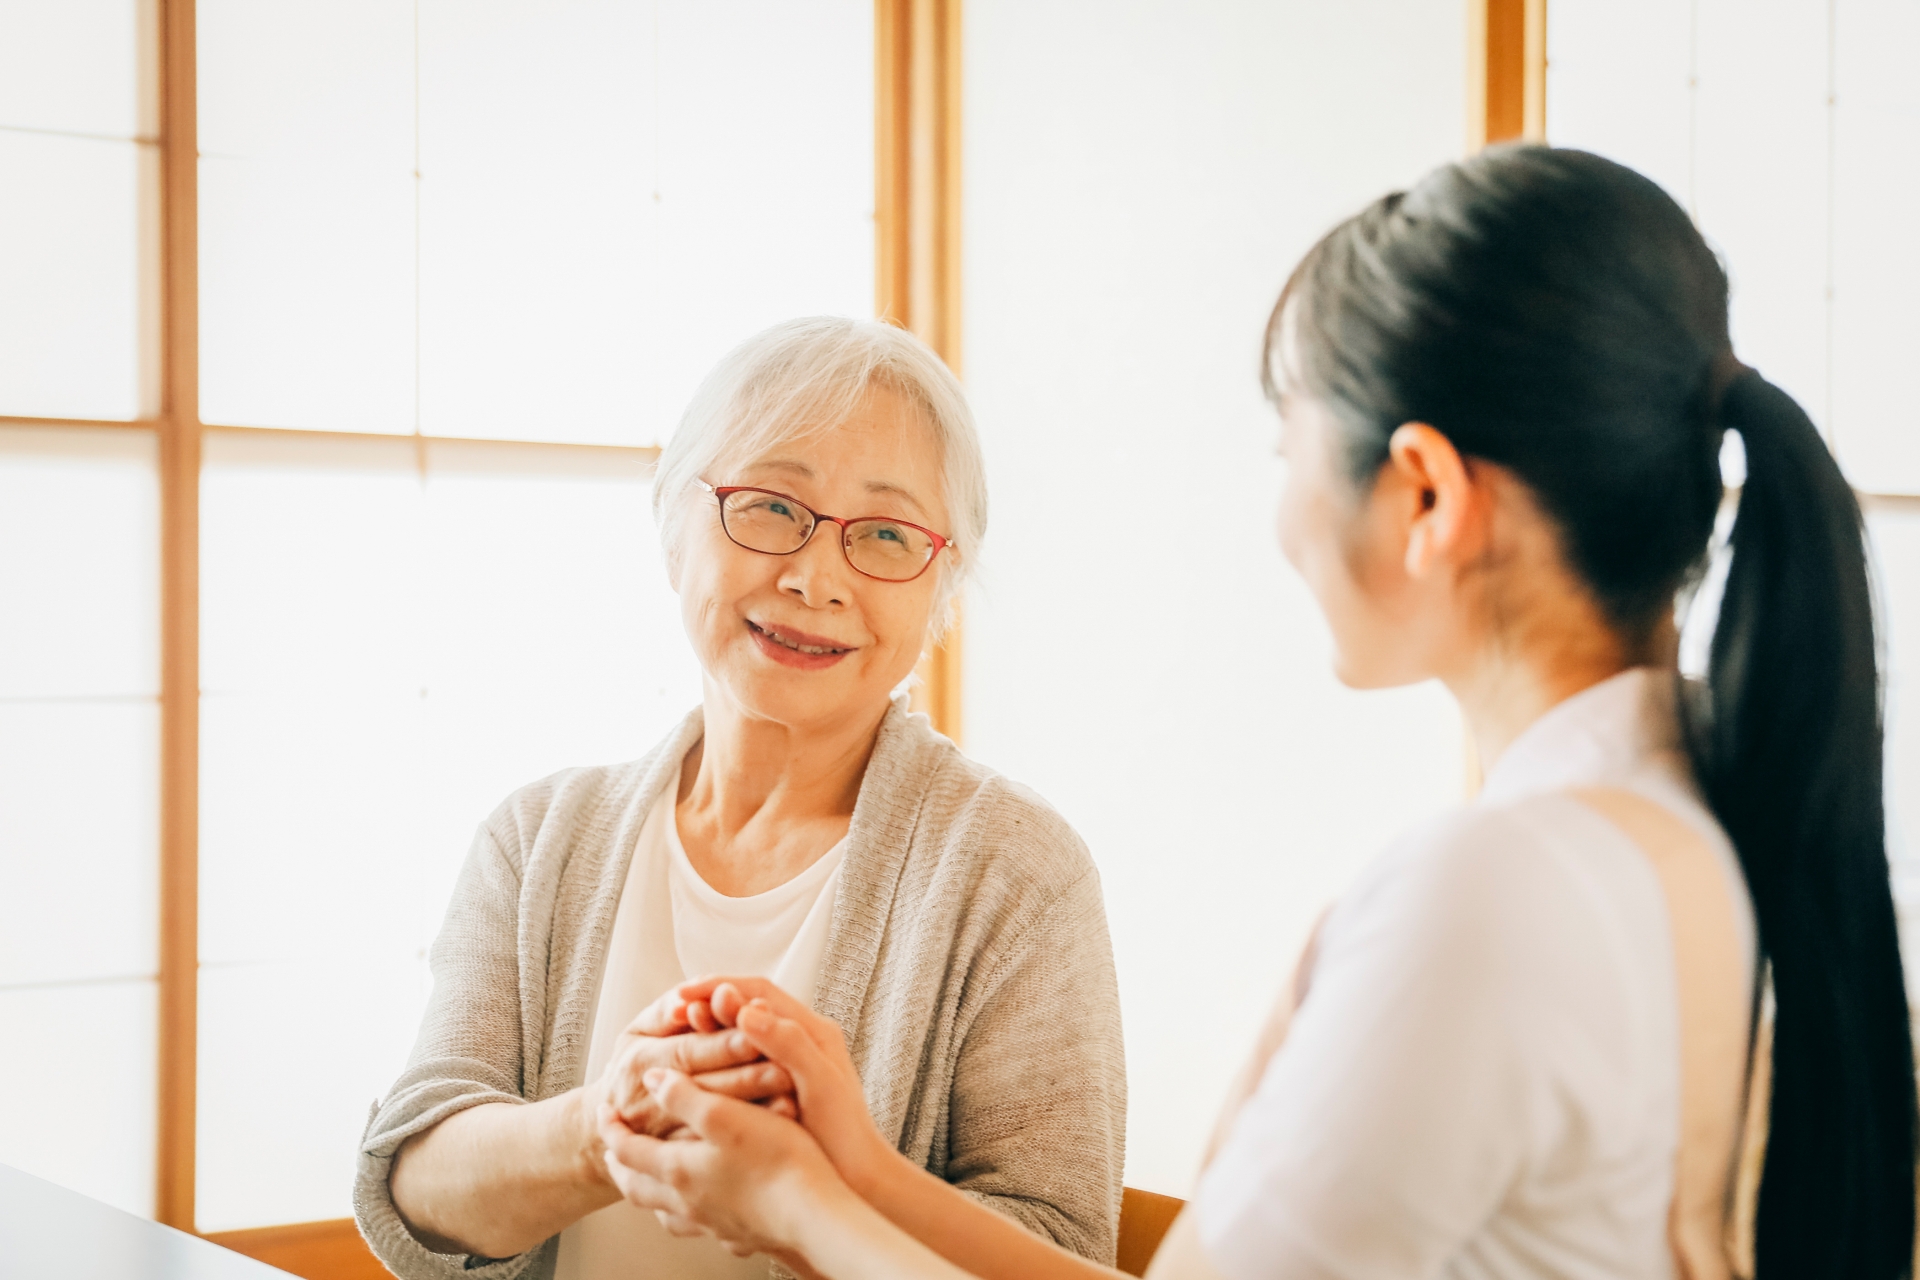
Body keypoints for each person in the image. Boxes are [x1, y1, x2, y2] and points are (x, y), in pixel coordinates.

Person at [585, 147, 1918, 1280]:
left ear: (1426, 495)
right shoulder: (1683, 817)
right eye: (770, 507)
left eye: (1290, 450)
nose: (1282, 518)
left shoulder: (1493, 890)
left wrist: (785, 1202)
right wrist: (862, 1170)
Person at [351, 318, 1128, 1280]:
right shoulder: (538, 837)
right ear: (675, 525)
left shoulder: (1015, 871)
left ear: (943, 586)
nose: (815, 577)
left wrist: (814, 1193)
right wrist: (605, 1123)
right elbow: (418, 1185)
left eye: (886, 535)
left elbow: (1058, 1247)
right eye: (768, 507)